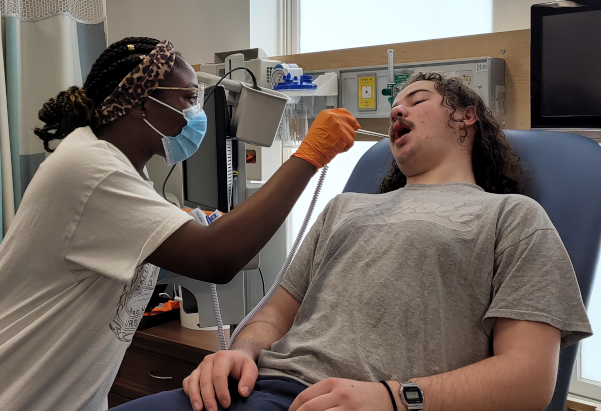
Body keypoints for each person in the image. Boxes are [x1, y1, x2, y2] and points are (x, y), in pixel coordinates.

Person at [0, 37, 360, 411]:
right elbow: (217, 258)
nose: (194, 114)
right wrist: (308, 156)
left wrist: (189, 221)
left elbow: (134, 230)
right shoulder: (93, 170)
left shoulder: (116, 167)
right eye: (187, 99)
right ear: (142, 104)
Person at [113, 72, 593, 411]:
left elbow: (530, 380)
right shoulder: (347, 206)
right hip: (257, 390)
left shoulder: (511, 215)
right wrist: (240, 351)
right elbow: (276, 314)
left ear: (466, 118)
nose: (397, 109)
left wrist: (393, 398)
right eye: (395, 103)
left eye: (418, 99)